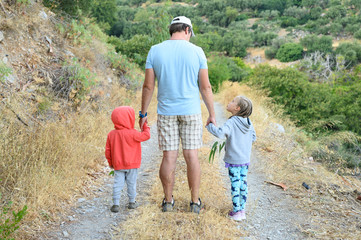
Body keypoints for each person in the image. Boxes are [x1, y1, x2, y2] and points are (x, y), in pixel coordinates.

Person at [139, 16, 216, 213]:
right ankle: (195, 202)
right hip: (191, 111)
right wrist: (212, 113)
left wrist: (143, 113)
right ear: (187, 30)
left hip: (166, 112)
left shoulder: (155, 50)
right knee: (192, 156)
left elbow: (148, 86)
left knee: (169, 157)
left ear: (172, 30)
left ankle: (167, 201)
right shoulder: (197, 51)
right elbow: (205, 86)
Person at [206, 96, 256, 221]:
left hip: (234, 160)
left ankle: (236, 212)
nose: (229, 102)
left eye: (233, 101)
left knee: (235, 184)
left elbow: (220, 133)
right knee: (243, 183)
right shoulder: (248, 122)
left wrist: (210, 126)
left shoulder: (232, 122)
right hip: (245, 159)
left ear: (237, 108)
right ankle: (242, 210)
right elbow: (254, 137)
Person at [105, 106, 150, 213]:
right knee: (131, 183)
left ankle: (116, 204)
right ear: (130, 118)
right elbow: (146, 135)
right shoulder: (133, 133)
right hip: (132, 165)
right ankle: (132, 202)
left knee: (117, 184)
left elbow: (108, 151)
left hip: (118, 165)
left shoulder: (111, 134)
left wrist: (111, 163)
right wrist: (144, 124)